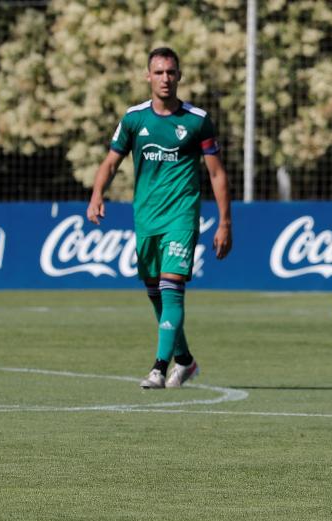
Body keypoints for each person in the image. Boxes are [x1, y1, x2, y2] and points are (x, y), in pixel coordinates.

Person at [87, 47, 232, 389]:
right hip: (146, 218)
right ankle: (185, 361)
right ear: (147, 76)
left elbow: (217, 174)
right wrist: (96, 195)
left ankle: (158, 366)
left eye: (171, 72)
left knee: (172, 287)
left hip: (181, 216)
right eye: (159, 72)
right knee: (157, 293)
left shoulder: (197, 120)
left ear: (179, 76)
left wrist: (225, 221)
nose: (165, 78)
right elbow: (110, 162)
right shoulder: (135, 119)